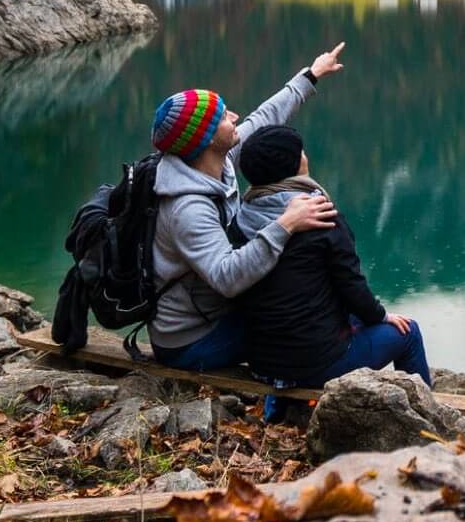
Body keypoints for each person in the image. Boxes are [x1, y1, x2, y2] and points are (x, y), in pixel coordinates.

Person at [145, 43, 348, 370]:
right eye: (224, 116)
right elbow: (226, 277)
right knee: (307, 322)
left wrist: (311, 75)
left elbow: (263, 117)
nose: (235, 117)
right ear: (207, 138)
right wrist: (286, 224)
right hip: (192, 339)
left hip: (215, 311)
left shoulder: (215, 159)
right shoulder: (187, 208)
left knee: (314, 306)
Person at [230, 124, 427, 388]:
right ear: (294, 164)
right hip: (316, 365)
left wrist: (373, 314)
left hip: (262, 363)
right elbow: (351, 285)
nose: (305, 156)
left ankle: (278, 406)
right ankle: (425, 409)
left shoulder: (242, 217)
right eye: (301, 152)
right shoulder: (321, 218)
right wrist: (381, 317)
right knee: (408, 332)